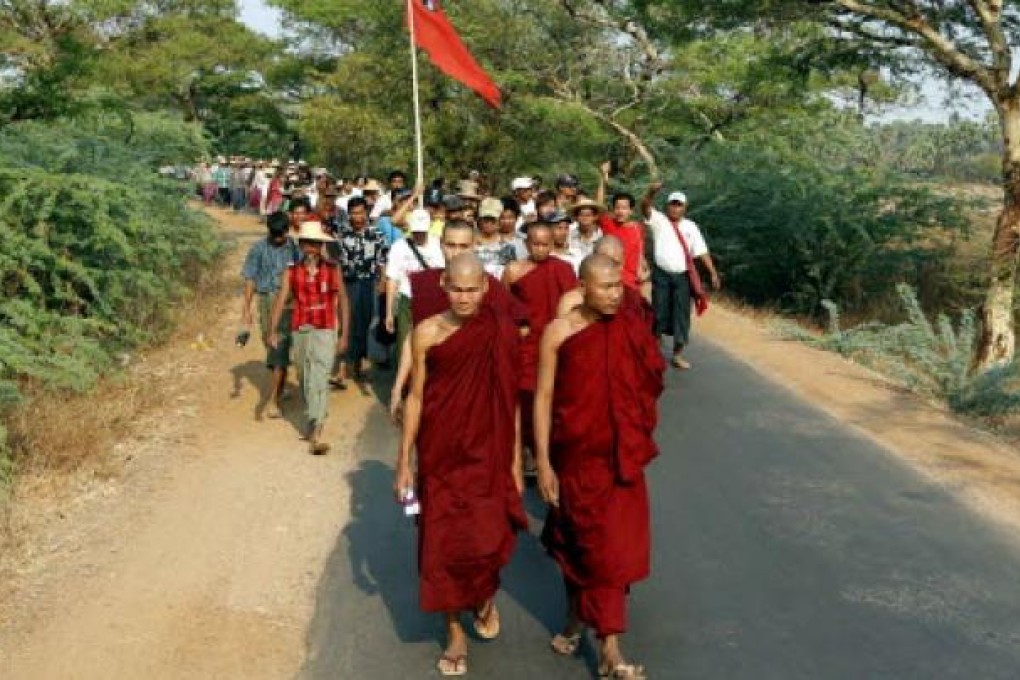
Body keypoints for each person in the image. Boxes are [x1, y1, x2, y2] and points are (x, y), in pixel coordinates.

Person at [394, 253, 527, 677]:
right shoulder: (427, 333)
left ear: (486, 289)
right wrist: (404, 462)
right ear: (445, 287)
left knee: (487, 539)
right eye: (457, 289)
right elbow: (417, 398)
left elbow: (511, 401)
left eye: (473, 289)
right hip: (441, 455)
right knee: (442, 546)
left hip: (488, 451)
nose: (465, 297)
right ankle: (454, 632)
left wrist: (513, 461)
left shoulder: (500, 330)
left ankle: (483, 596)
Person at [535, 254, 665, 680]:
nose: (614, 295)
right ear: (582, 287)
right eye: (605, 287)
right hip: (576, 458)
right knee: (581, 541)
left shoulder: (630, 326)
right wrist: (544, 462)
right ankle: (583, 624)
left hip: (621, 457)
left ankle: (608, 644)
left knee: (612, 549)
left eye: (618, 286)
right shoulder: (560, 332)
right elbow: (543, 399)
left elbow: (648, 382)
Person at [268, 221, 351, 455]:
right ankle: (313, 415)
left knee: (320, 376)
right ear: (302, 245)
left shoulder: (333, 269)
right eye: (308, 244)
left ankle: (316, 429)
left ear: (321, 246)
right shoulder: (292, 271)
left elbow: (343, 301)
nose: (312, 248)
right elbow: (282, 298)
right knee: (304, 376)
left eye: (316, 244)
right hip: (301, 328)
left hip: (325, 328)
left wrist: (344, 334)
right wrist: (272, 330)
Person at [502, 223, 578, 468]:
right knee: (526, 395)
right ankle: (525, 446)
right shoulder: (513, 271)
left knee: (554, 397)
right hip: (527, 344)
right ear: (526, 244)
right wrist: (515, 328)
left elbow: (574, 304)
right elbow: (503, 306)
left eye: (546, 244)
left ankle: (548, 448)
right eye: (535, 243)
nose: (541, 249)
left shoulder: (563, 269)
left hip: (556, 342)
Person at [641, 183, 721, 370]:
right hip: (661, 274)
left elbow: (701, 252)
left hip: (682, 277)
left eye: (679, 205)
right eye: (672, 204)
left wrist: (713, 273)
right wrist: (651, 192)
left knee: (682, 315)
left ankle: (677, 354)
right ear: (667, 206)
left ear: (684, 208)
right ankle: (654, 349)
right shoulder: (659, 220)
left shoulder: (691, 227)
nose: (675, 208)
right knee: (659, 312)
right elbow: (644, 207)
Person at [241, 212, 301, 418]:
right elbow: (250, 278)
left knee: (279, 347)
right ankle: (281, 383)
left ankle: (274, 399)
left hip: (288, 303)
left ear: (287, 230)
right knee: (271, 344)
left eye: (281, 234)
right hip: (266, 299)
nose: (277, 238)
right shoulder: (258, 249)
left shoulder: (294, 248)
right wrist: (246, 309)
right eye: (274, 234)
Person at [335, 196, 388, 385]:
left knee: (365, 324)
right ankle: (341, 370)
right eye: (353, 213)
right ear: (348, 214)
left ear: (367, 212)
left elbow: (382, 261)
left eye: (361, 212)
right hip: (348, 284)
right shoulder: (342, 234)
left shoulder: (377, 234)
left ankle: (357, 368)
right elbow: (337, 263)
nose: (357, 217)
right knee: (346, 323)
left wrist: (382, 283)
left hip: (369, 284)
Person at [385, 208, 445, 358]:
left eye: (422, 231)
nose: (418, 235)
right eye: (416, 231)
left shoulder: (438, 246)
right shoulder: (399, 247)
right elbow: (392, 279)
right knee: (405, 342)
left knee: (430, 344)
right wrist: (389, 312)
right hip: (407, 300)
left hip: (432, 301)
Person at [594, 161, 650, 296]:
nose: (620, 211)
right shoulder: (608, 224)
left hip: (632, 283)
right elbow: (598, 205)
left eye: (624, 208)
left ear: (631, 211)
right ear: (613, 209)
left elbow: (640, 252)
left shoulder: (637, 228)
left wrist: (645, 271)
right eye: (617, 207)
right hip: (610, 282)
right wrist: (602, 178)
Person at [475, 197, 517, 278]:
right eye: (486, 219)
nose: (489, 223)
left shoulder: (508, 248)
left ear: (499, 220)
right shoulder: (468, 244)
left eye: (493, 219)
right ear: (479, 219)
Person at [567, 197, 604, 261]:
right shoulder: (568, 234)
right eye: (581, 215)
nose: (585, 218)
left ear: (595, 217)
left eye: (588, 215)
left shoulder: (600, 238)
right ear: (576, 217)